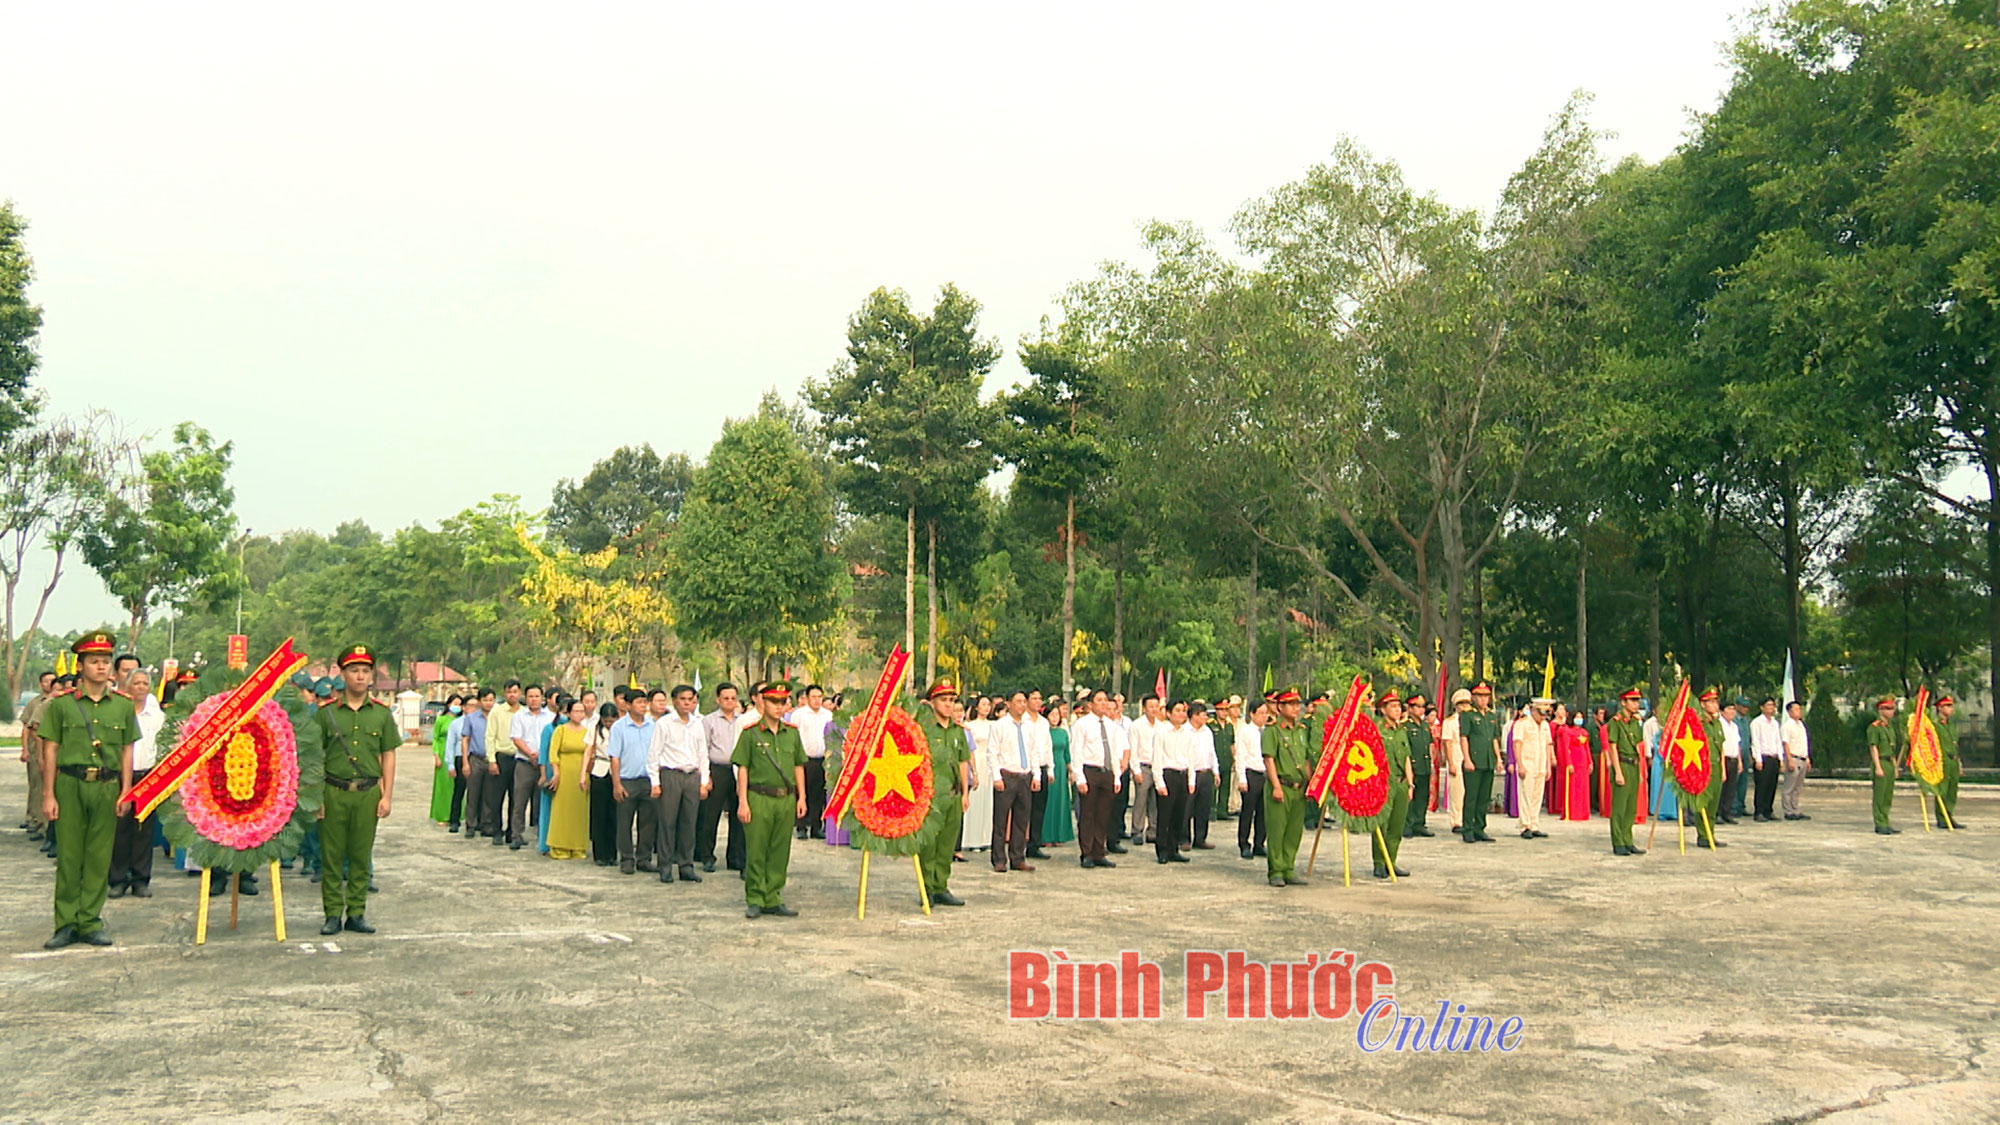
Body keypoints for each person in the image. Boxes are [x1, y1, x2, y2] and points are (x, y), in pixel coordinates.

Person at [39, 631, 136, 949]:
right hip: (70, 784)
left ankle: (90, 921)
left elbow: (126, 752)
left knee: (98, 857)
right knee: (69, 857)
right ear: (80, 666)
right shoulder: (62, 706)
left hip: (106, 787)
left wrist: (126, 791)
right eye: (94, 661)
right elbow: (50, 750)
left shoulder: (121, 707)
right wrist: (48, 794)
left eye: (106, 661)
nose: (101, 666)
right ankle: (65, 923)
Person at [316, 644, 399, 936]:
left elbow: (388, 753)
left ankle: (356, 912)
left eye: (365, 671)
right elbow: (314, 756)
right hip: (332, 792)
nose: (360, 677)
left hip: (367, 793)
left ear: (372, 676)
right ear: (343, 674)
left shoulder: (381, 714)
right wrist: (315, 797)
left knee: (361, 855)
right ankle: (332, 914)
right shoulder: (326, 714)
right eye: (354, 671)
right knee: (332, 856)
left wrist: (387, 795)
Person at [733, 681, 807, 918]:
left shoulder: (792, 734)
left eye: (782, 702)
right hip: (758, 796)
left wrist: (801, 797)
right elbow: (743, 768)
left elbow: (798, 766)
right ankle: (755, 897)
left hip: (785, 799)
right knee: (757, 849)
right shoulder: (750, 733)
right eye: (773, 701)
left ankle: (773, 897)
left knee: (779, 850)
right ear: (762, 702)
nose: (778, 706)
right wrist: (743, 801)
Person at [108, 668, 165, 899]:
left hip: (148, 775)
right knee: (120, 829)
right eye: (137, 683)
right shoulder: (118, 711)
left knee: (144, 830)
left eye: (145, 683)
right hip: (122, 776)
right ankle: (118, 879)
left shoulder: (157, 715)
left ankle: (141, 879)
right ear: (127, 686)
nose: (141, 687)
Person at [914, 679, 971, 906]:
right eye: (943, 700)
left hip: (953, 795)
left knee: (947, 844)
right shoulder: (924, 730)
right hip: (931, 796)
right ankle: (926, 887)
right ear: (932, 702)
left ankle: (941, 886)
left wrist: (965, 793)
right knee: (928, 845)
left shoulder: (958, 731)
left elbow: (963, 762)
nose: (948, 705)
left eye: (952, 700)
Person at [650, 683, 709, 884]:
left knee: (689, 823)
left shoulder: (697, 724)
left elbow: (703, 754)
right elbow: (654, 754)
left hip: (692, 775)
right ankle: (665, 866)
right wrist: (655, 782)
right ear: (674, 701)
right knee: (667, 822)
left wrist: (704, 781)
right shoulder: (664, 724)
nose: (687, 703)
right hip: (671, 775)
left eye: (691, 700)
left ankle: (686, 865)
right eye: (683, 699)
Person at [1068, 689, 1125, 869]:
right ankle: (1087, 853)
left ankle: (1099, 851)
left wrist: (1116, 777)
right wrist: (1080, 778)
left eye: (1105, 700)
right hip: (1089, 771)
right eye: (1098, 700)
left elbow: (1115, 753)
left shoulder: (1112, 726)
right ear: (1090, 704)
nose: (1103, 703)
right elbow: (1076, 752)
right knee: (1088, 815)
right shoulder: (1082, 724)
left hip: (1106, 772)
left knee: (1103, 815)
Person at [991, 690, 1048, 872]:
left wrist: (1036, 775)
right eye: (1018, 701)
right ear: (1009, 703)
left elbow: (1034, 752)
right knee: (1000, 821)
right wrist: (996, 777)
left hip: (1025, 776)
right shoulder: (1000, 725)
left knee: (1022, 820)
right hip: (1007, 776)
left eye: (1024, 701)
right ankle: (999, 859)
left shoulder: (1029, 726)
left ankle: (1018, 857)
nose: (1022, 705)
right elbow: (992, 753)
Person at [1261, 690, 1313, 887]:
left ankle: (1289, 868)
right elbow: (1269, 759)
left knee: (1293, 831)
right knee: (1277, 830)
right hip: (1281, 785)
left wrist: (1309, 784)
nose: (1296, 708)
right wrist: (1275, 786)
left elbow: (1306, 759)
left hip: (1298, 788)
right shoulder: (1273, 731)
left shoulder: (1301, 730)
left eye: (1297, 704)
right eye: (1290, 704)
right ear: (1280, 707)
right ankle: (1276, 870)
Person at [607, 692, 657, 874]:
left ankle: (644, 858)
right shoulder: (619, 727)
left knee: (648, 822)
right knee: (624, 822)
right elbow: (615, 757)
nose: (643, 706)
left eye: (645, 702)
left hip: (649, 779)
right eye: (639, 702)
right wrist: (616, 784)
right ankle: (627, 859)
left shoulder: (653, 725)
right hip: (627, 780)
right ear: (628, 705)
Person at [505, 685, 554, 852]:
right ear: (525, 698)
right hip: (524, 763)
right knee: (519, 801)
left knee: (543, 801)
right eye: (530, 696)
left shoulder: (551, 717)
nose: (534, 699)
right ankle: (516, 835)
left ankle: (544, 836)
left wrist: (541, 757)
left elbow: (553, 739)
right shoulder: (519, 716)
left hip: (545, 765)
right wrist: (532, 754)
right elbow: (516, 738)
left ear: (543, 698)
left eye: (537, 696)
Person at [1372, 693, 1414, 879]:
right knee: (1382, 825)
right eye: (1393, 706)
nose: (1397, 710)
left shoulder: (1401, 731)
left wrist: (1410, 783)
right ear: (1383, 709)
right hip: (1383, 783)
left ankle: (1391, 860)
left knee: (1397, 826)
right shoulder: (1377, 730)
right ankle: (1379, 863)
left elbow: (1406, 758)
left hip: (1401, 783)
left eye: (1399, 706)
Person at [1150, 700, 1196, 864]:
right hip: (1167, 774)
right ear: (1168, 713)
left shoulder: (1188, 733)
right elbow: (1157, 758)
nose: (1181, 714)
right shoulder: (1161, 731)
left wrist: (1191, 779)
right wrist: (1159, 782)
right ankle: (1161, 849)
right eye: (1177, 711)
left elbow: (1191, 757)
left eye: (1183, 711)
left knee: (1179, 815)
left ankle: (1173, 848)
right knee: (1165, 815)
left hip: (1182, 775)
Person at [546, 697, 592, 860]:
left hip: (581, 773)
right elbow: (553, 752)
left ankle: (578, 846)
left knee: (579, 811)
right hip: (564, 773)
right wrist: (556, 773)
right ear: (569, 712)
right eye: (576, 711)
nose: (579, 714)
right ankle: (560, 846)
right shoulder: (561, 730)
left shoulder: (587, 732)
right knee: (562, 810)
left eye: (582, 711)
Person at [1604, 689, 1647, 856]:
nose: (1636, 704)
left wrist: (1641, 770)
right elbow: (1612, 747)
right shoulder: (1616, 722)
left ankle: (1628, 840)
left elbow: (1638, 747)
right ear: (1623, 702)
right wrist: (1618, 772)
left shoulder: (1635, 723)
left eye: (1637, 701)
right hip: (1622, 763)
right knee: (1619, 807)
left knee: (1631, 807)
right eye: (1632, 700)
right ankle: (1618, 842)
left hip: (1634, 765)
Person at [789, 684, 834, 840]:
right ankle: (801, 826)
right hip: (804, 760)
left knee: (818, 795)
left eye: (819, 697)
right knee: (802, 793)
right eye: (813, 697)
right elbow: (793, 737)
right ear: (807, 698)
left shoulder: (828, 715)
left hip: (822, 759)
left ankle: (816, 827)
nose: (817, 700)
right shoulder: (799, 715)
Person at [1457, 684, 1501, 844]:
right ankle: (1468, 828)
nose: (1483, 699)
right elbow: (1464, 738)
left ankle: (1479, 828)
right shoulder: (1468, 715)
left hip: (1487, 760)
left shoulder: (1491, 716)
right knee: (1471, 797)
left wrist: (1498, 759)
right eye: (1479, 696)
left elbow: (1494, 739)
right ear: (1473, 698)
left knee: (1484, 798)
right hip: (1474, 761)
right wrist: (1467, 759)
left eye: (1486, 696)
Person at [19, 669, 56, 845]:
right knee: (36, 786)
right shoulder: (36, 703)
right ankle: (35, 819)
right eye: (46, 681)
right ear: (40, 684)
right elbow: (28, 728)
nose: (49, 684)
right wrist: (25, 749)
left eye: (52, 681)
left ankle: (43, 824)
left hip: (53, 753)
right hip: (37, 751)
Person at [1511, 698, 1553, 840]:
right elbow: (1517, 744)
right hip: (1527, 763)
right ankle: (1525, 825)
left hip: (1540, 764)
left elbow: (1548, 745)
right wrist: (1520, 765)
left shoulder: (1545, 725)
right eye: (1541, 713)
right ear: (1533, 710)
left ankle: (1534, 824)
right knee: (1526, 795)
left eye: (1545, 714)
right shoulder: (1522, 724)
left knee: (1537, 796)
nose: (1543, 717)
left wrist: (1548, 766)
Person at [583, 701, 619, 863]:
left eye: (612, 721)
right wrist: (583, 773)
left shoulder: (620, 729)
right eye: (606, 721)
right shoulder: (595, 729)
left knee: (614, 814)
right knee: (599, 813)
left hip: (617, 772)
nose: (609, 724)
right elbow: (588, 750)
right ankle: (600, 854)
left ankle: (612, 853)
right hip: (600, 768)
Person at [462, 688, 499, 841]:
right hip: (476, 759)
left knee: (489, 794)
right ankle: (471, 825)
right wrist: (465, 762)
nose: (488, 703)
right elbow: (465, 740)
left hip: (492, 759)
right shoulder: (471, 718)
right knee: (473, 793)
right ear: (479, 701)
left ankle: (486, 824)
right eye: (485, 700)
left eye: (491, 700)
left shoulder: (497, 717)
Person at [961, 695, 996, 858]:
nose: (986, 707)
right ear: (976, 707)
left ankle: (986, 838)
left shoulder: (993, 725)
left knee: (988, 802)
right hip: (976, 761)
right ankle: (971, 839)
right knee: (974, 800)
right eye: (983, 704)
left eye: (988, 704)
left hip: (989, 763)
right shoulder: (969, 726)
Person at [1236, 697, 1270, 859]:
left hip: (1266, 774)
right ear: (1252, 714)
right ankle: (1244, 843)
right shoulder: (1245, 731)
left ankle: (1259, 843)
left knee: (1263, 812)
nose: (1264, 716)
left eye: (1266, 713)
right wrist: (1242, 778)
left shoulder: (1268, 731)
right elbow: (1241, 755)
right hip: (1251, 774)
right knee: (1248, 811)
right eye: (1261, 713)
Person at [487, 680, 521, 845]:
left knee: (516, 798)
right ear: (504, 693)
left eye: (515, 691)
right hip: (502, 757)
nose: (512, 695)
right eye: (509, 692)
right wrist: (492, 760)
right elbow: (490, 736)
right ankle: (497, 831)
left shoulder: (524, 712)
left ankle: (512, 832)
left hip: (520, 759)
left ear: (519, 693)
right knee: (497, 797)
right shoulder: (497, 711)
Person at [1041, 696, 1076, 848]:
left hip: (1061, 767)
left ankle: (1059, 835)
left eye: (1057, 715)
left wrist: (1071, 770)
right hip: (1049, 766)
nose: (1055, 718)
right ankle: (1045, 835)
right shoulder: (1043, 732)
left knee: (1061, 801)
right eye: (1052, 715)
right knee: (1049, 801)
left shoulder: (1063, 733)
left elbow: (1067, 753)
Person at [1867, 697, 1903, 835]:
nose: (1891, 711)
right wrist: (1877, 767)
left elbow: (1892, 750)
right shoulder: (1875, 727)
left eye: (1892, 708)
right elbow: (1873, 747)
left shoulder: (1890, 728)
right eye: (1887, 708)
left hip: (1889, 762)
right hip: (1881, 761)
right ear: (1880, 710)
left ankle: (1886, 821)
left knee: (1888, 795)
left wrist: (1895, 767)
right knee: (1880, 795)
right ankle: (1880, 823)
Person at [1551, 703, 1591, 823]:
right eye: (1577, 717)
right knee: (1572, 787)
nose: (1579, 719)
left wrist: (1590, 762)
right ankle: (1571, 812)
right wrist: (1568, 763)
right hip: (1573, 761)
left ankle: (1582, 812)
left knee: (1582, 788)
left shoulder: (1584, 732)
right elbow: (1564, 748)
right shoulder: (1566, 731)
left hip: (1583, 762)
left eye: (1581, 717)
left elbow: (1587, 748)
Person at [1186, 700, 1218, 850]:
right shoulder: (1185, 731)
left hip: (1206, 773)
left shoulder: (1207, 731)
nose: (1206, 718)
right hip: (1191, 774)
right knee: (1187, 808)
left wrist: (1215, 771)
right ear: (1194, 716)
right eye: (1203, 714)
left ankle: (1200, 838)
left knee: (1203, 808)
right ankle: (1184, 838)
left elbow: (1212, 753)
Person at [429, 694, 464, 828]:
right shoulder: (441, 720)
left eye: (459, 704)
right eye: (455, 703)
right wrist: (437, 756)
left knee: (457, 785)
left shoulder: (461, 720)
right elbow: (436, 739)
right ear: (448, 704)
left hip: (458, 753)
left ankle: (457, 814)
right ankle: (442, 815)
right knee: (443, 786)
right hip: (444, 752)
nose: (457, 707)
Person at [1403, 693, 1435, 838]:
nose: (1421, 710)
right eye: (1417, 707)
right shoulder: (1405, 727)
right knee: (1410, 797)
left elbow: (1429, 745)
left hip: (1424, 765)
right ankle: (1407, 824)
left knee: (1423, 796)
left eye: (1423, 707)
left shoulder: (1425, 726)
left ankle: (1419, 823)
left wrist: (1432, 763)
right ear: (1409, 708)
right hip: (1412, 766)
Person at [1749, 698, 1785, 822]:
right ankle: (1759, 811)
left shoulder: (1775, 723)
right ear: (1762, 707)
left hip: (1773, 756)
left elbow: (1778, 741)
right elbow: (1755, 741)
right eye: (1768, 705)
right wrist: (1757, 759)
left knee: (1772, 785)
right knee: (1762, 785)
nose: (1771, 708)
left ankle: (1768, 810)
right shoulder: (1757, 722)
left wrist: (1781, 759)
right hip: (1763, 757)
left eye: (1772, 705)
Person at [1443, 689, 1470, 834]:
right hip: (1456, 757)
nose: (1464, 707)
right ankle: (1456, 821)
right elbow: (1447, 743)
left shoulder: (1471, 719)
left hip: (1469, 758)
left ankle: (1467, 820)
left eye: (1466, 704)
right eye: (1461, 704)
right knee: (1457, 792)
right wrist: (1451, 763)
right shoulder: (1450, 722)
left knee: (1469, 792)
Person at [1780, 700, 1812, 821]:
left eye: (1800, 709)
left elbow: (1804, 743)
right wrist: (1789, 759)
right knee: (1789, 786)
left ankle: (1795, 808)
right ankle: (1788, 811)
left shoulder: (1801, 725)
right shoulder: (1787, 726)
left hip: (1802, 757)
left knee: (1797, 787)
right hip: (1793, 757)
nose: (1799, 711)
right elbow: (1785, 743)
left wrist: (1807, 758)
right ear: (1789, 712)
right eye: (1796, 709)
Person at [1935, 695, 1963, 827]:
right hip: (1943, 760)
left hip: (1953, 760)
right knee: (1943, 789)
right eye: (1948, 706)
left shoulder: (1951, 725)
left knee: (1952, 789)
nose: (1951, 709)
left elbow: (1955, 744)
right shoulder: (1935, 725)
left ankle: (1949, 815)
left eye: (1951, 706)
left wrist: (1959, 762)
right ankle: (1941, 817)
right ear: (1940, 708)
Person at [1716, 698, 1745, 825]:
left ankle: (1726, 813)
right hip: (1724, 759)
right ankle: (1717, 813)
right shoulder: (1719, 724)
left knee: (1731, 788)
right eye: (1729, 709)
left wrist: (1739, 761)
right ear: (1722, 711)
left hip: (1733, 758)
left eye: (1733, 709)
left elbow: (1737, 744)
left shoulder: (1734, 726)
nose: (1732, 712)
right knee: (1721, 788)